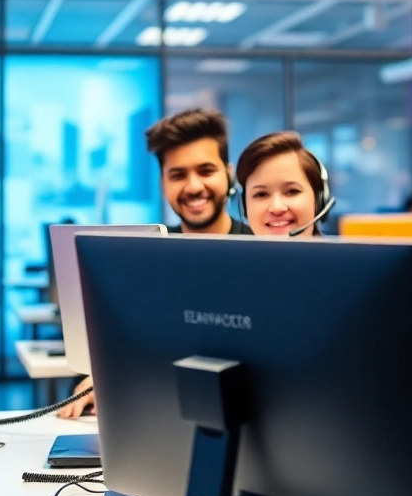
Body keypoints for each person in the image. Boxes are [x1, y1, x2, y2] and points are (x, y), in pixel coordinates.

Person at [58, 109, 253, 418]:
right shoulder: (148, 259)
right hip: (160, 414)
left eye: (206, 170)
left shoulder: (263, 253)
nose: (193, 187)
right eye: (178, 174)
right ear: (163, 184)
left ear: (228, 173)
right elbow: (122, 345)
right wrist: (98, 378)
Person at [235, 132, 333, 237]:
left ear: (319, 200)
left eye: (292, 191)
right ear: (244, 207)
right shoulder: (225, 253)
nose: (277, 208)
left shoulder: (349, 253)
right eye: (261, 194)